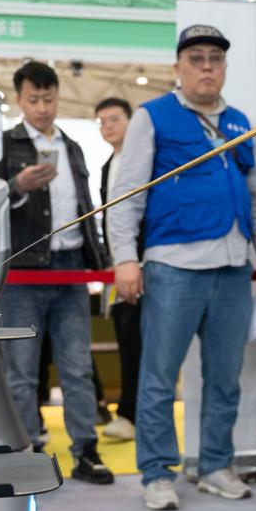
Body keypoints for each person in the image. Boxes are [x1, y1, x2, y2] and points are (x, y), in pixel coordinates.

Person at [108, 25, 256, 511]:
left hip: (232, 268)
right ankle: (157, 473)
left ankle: (214, 466)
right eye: (196, 58)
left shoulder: (240, 121)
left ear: (224, 68)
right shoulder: (152, 117)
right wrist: (125, 257)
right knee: (159, 376)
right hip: (173, 267)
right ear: (179, 67)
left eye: (215, 59)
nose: (207, 67)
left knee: (224, 377)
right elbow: (126, 194)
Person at [0, 61, 115, 486]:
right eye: (33, 99)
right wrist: (17, 185)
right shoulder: (4, 145)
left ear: (58, 97)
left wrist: (101, 259)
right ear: (20, 100)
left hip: (72, 268)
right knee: (21, 371)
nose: (42, 107)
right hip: (22, 273)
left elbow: (85, 208)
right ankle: (28, 450)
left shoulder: (73, 146)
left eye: (49, 98)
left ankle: (86, 451)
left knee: (77, 367)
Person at [95, 96, 140, 442]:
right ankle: (128, 413)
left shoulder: (143, 161)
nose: (108, 127)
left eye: (114, 119)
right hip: (117, 268)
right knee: (127, 338)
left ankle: (132, 414)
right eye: (102, 122)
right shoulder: (109, 165)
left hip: (143, 267)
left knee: (140, 342)